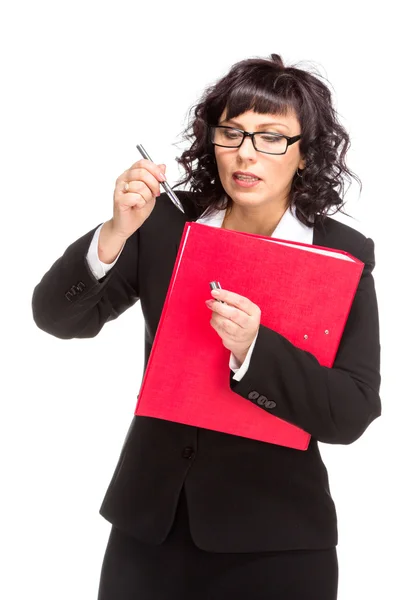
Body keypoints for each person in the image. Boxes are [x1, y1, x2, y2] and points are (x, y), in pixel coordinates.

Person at [31, 53, 381, 600]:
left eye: (271, 137)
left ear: (305, 155)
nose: (246, 153)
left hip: (276, 541)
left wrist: (254, 349)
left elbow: (352, 411)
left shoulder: (340, 254)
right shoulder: (170, 224)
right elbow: (56, 317)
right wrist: (115, 232)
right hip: (149, 529)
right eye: (232, 132)